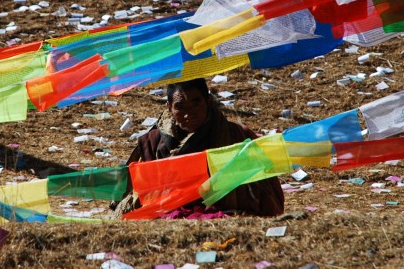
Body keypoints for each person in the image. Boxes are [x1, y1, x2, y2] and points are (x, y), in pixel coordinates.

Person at [113, 78, 284, 217]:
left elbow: (268, 191)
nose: (189, 114)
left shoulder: (237, 136)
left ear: (208, 101)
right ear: (169, 108)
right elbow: (139, 190)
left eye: (196, 103)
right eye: (180, 107)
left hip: (229, 211)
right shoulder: (154, 143)